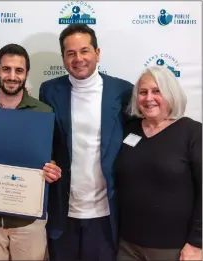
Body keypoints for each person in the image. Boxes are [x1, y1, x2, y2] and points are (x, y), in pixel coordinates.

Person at [39, 24, 133, 261]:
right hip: (63, 212)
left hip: (105, 213)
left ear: (97, 53)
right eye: (70, 53)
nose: (78, 59)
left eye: (84, 51)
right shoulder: (49, 91)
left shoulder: (122, 91)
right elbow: (44, 141)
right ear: (63, 58)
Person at [0, 43, 62, 261]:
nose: (12, 76)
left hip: (28, 219)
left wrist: (53, 169)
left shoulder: (43, 111)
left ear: (27, 74)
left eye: (18, 70)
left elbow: (51, 155)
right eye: (6, 69)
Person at [115, 65, 202, 261]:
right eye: (143, 92)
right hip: (127, 245)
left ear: (170, 94)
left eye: (157, 91)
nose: (149, 98)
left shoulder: (193, 132)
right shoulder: (129, 130)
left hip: (173, 248)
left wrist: (197, 243)